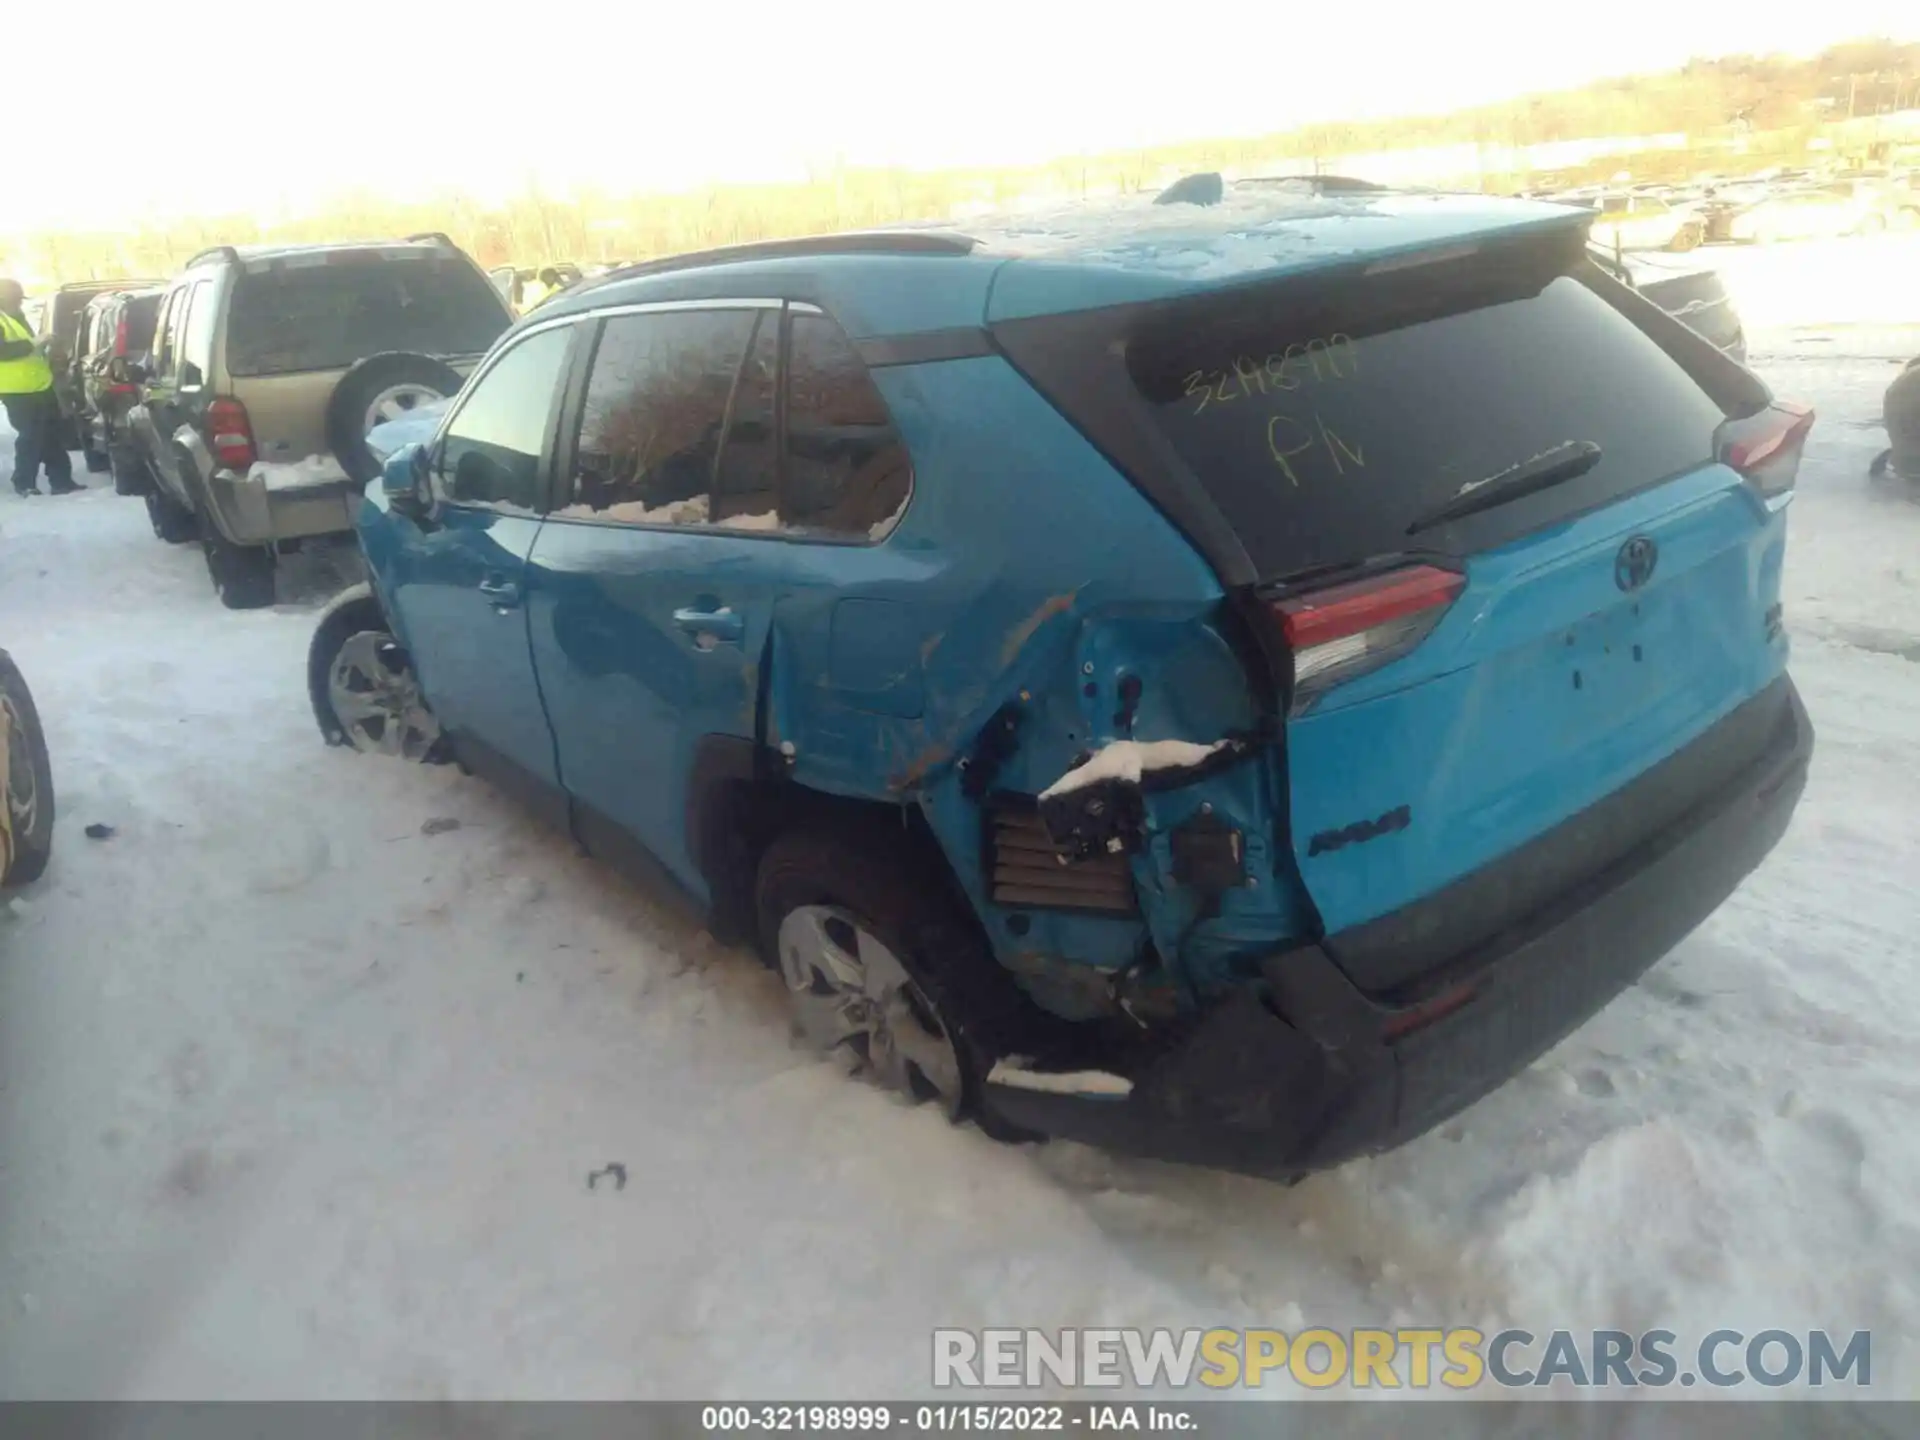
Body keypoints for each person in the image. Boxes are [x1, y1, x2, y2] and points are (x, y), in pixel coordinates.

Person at [0, 278, 81, 497]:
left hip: (40, 385)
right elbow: (3, 351)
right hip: (17, 391)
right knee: (30, 437)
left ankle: (61, 480)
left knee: (52, 434)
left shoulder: (16, 316)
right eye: (15, 298)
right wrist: (35, 342)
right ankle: (24, 482)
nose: (19, 303)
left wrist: (46, 347)